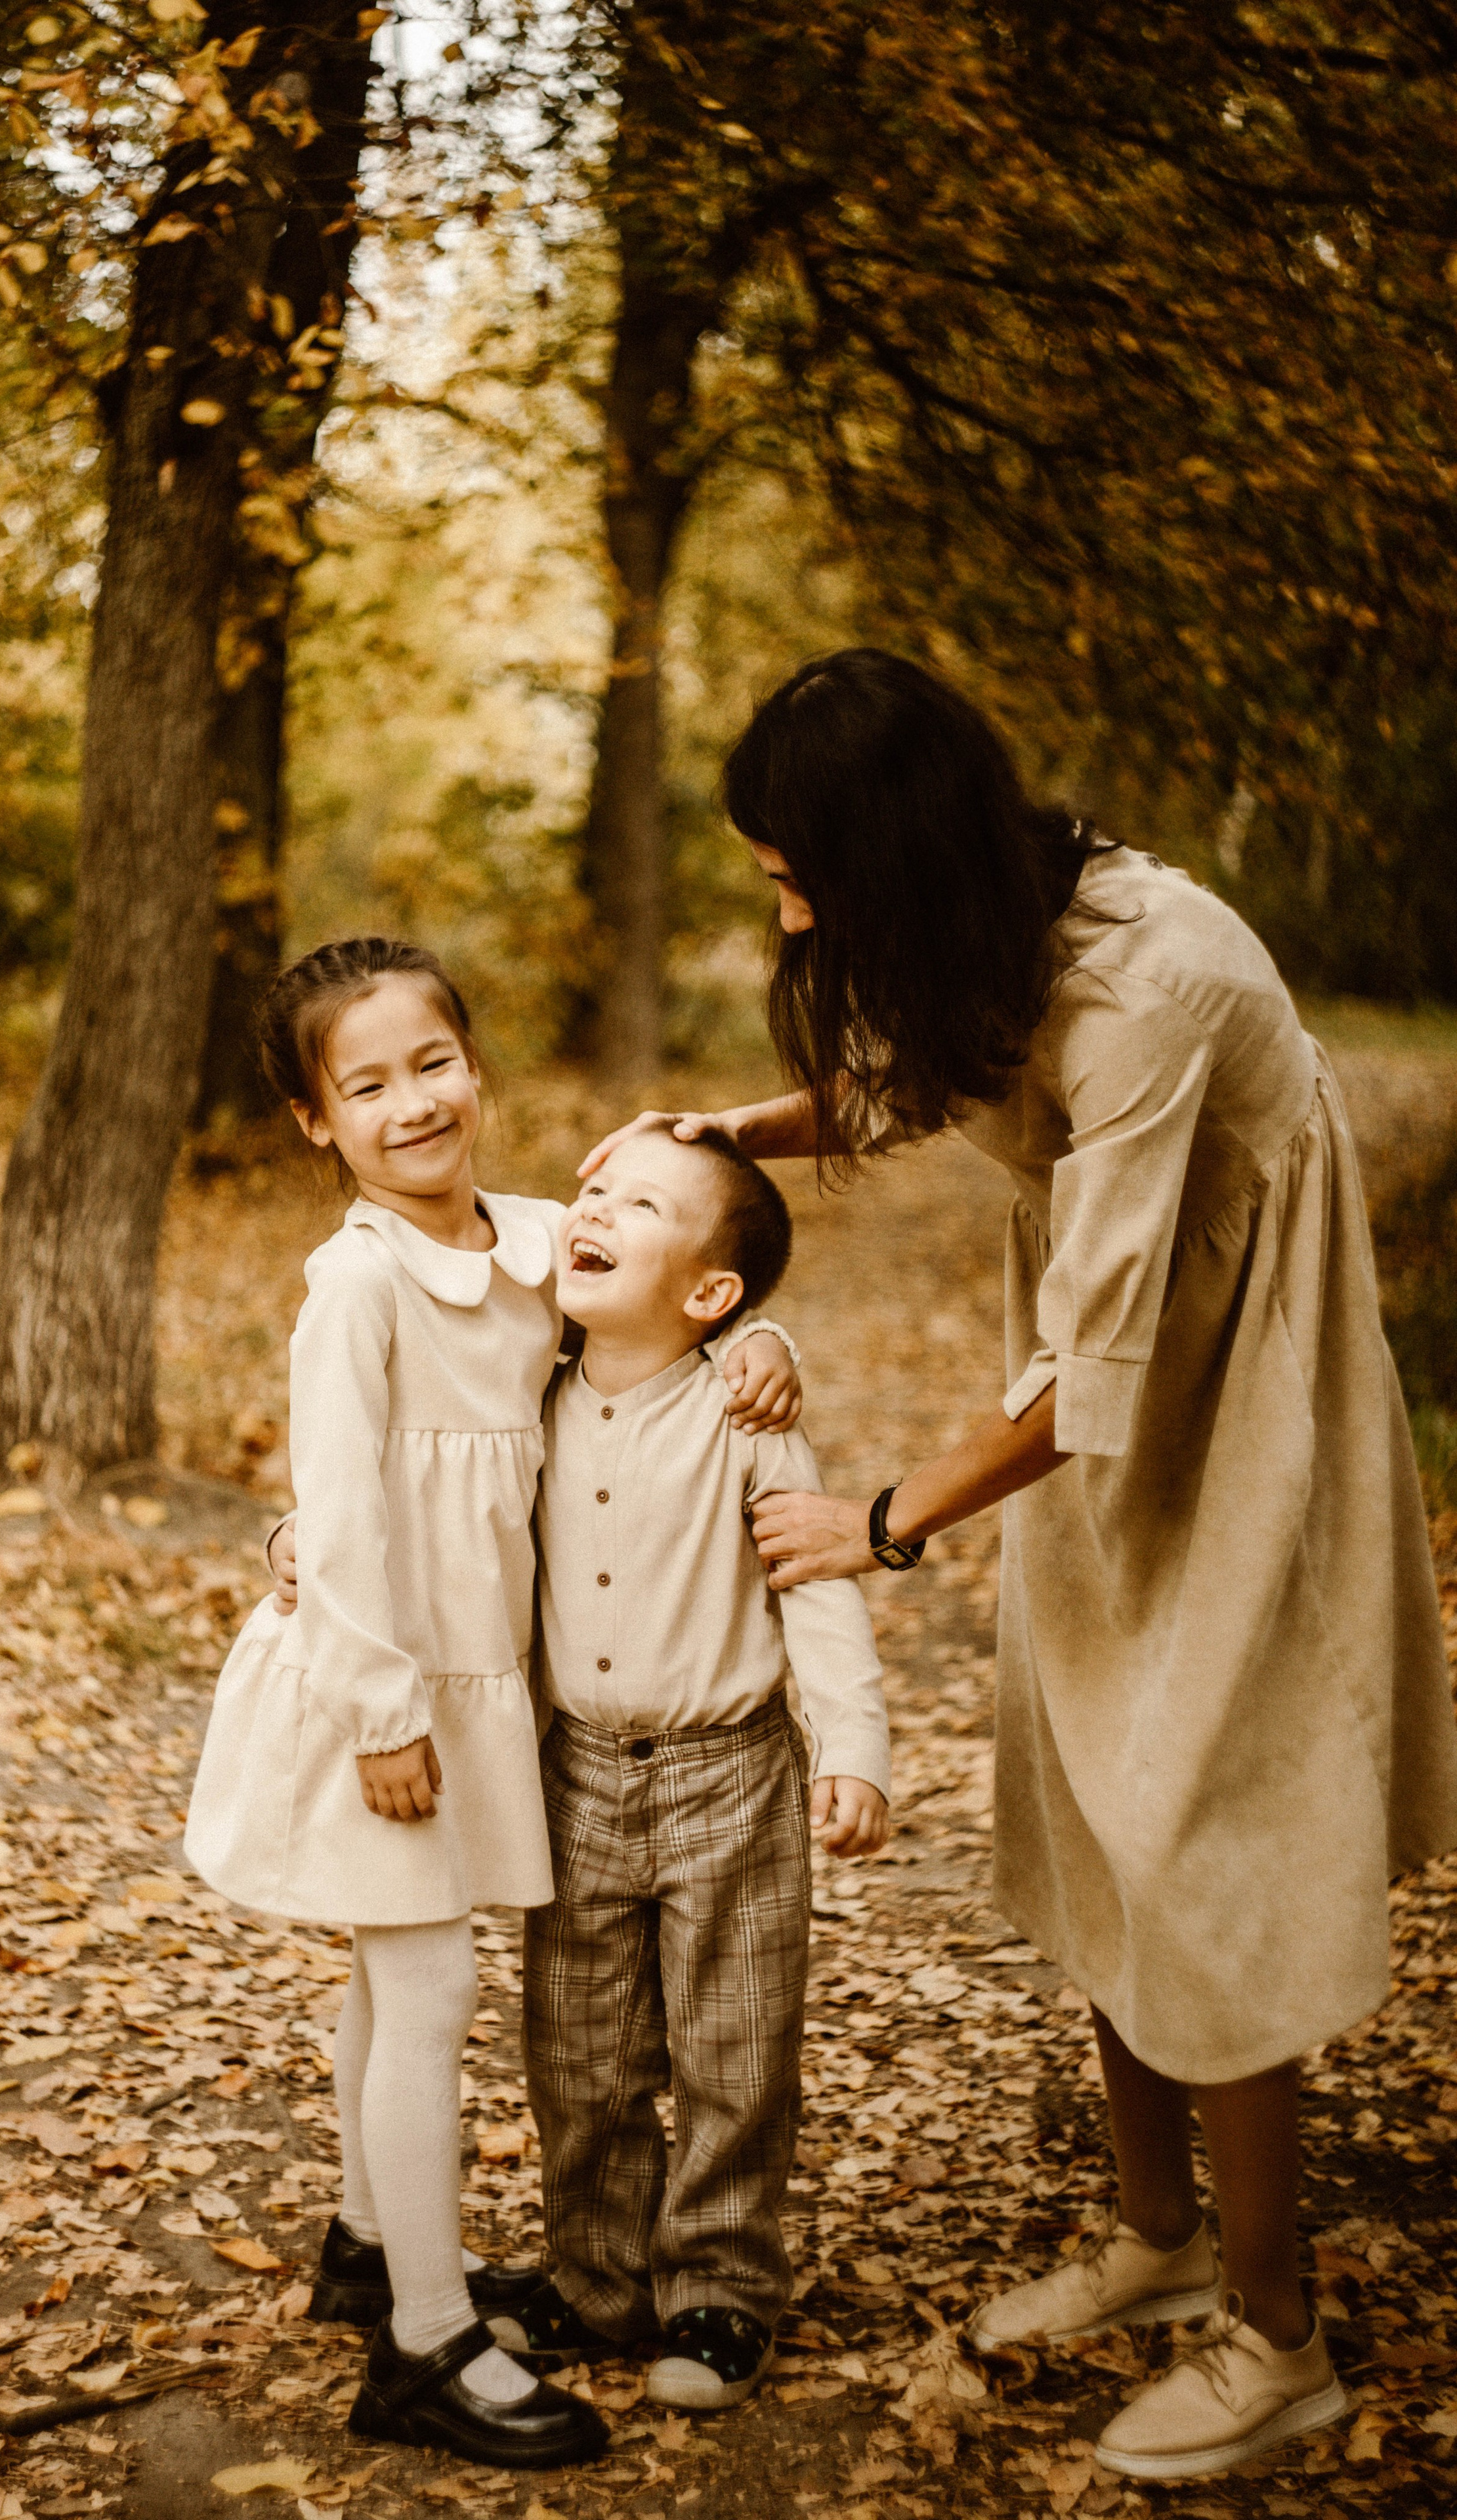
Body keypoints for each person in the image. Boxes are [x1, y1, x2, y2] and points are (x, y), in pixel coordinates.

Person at [581, 650, 1457, 2484]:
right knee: (1090, 1797)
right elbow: (917, 1088)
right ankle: (1156, 2240)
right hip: (1089, 1395)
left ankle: (1278, 2338)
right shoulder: (989, 933)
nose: (788, 910)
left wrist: (884, 1517)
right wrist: (739, 1132)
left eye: (797, 875)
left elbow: (1106, 1361)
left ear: (889, 854)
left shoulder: (1149, 986)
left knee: (1200, 1824)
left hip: (1231, 1393)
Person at [186, 936, 797, 2470]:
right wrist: (381, 1711)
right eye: (366, 1086)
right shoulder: (357, 1287)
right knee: (430, 1991)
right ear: (315, 1122)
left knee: (388, 1980)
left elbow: (671, 1296)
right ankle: (423, 2343)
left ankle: (366, 2240)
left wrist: (765, 1339)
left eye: (433, 1063)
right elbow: (338, 1511)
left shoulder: (533, 1244)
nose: (412, 1103)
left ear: (475, 1067)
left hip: (473, 1691)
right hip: (381, 1692)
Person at [485, 1122, 891, 2413]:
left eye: (640, 1205)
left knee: (735, 2046)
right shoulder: (528, 1390)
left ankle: (720, 2288)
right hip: (576, 1777)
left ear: (711, 1293)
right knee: (580, 2051)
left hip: (731, 1777)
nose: (595, 1209)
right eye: (594, 1190)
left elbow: (815, 1585)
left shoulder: (745, 1413)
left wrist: (855, 1747)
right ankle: (597, 2276)